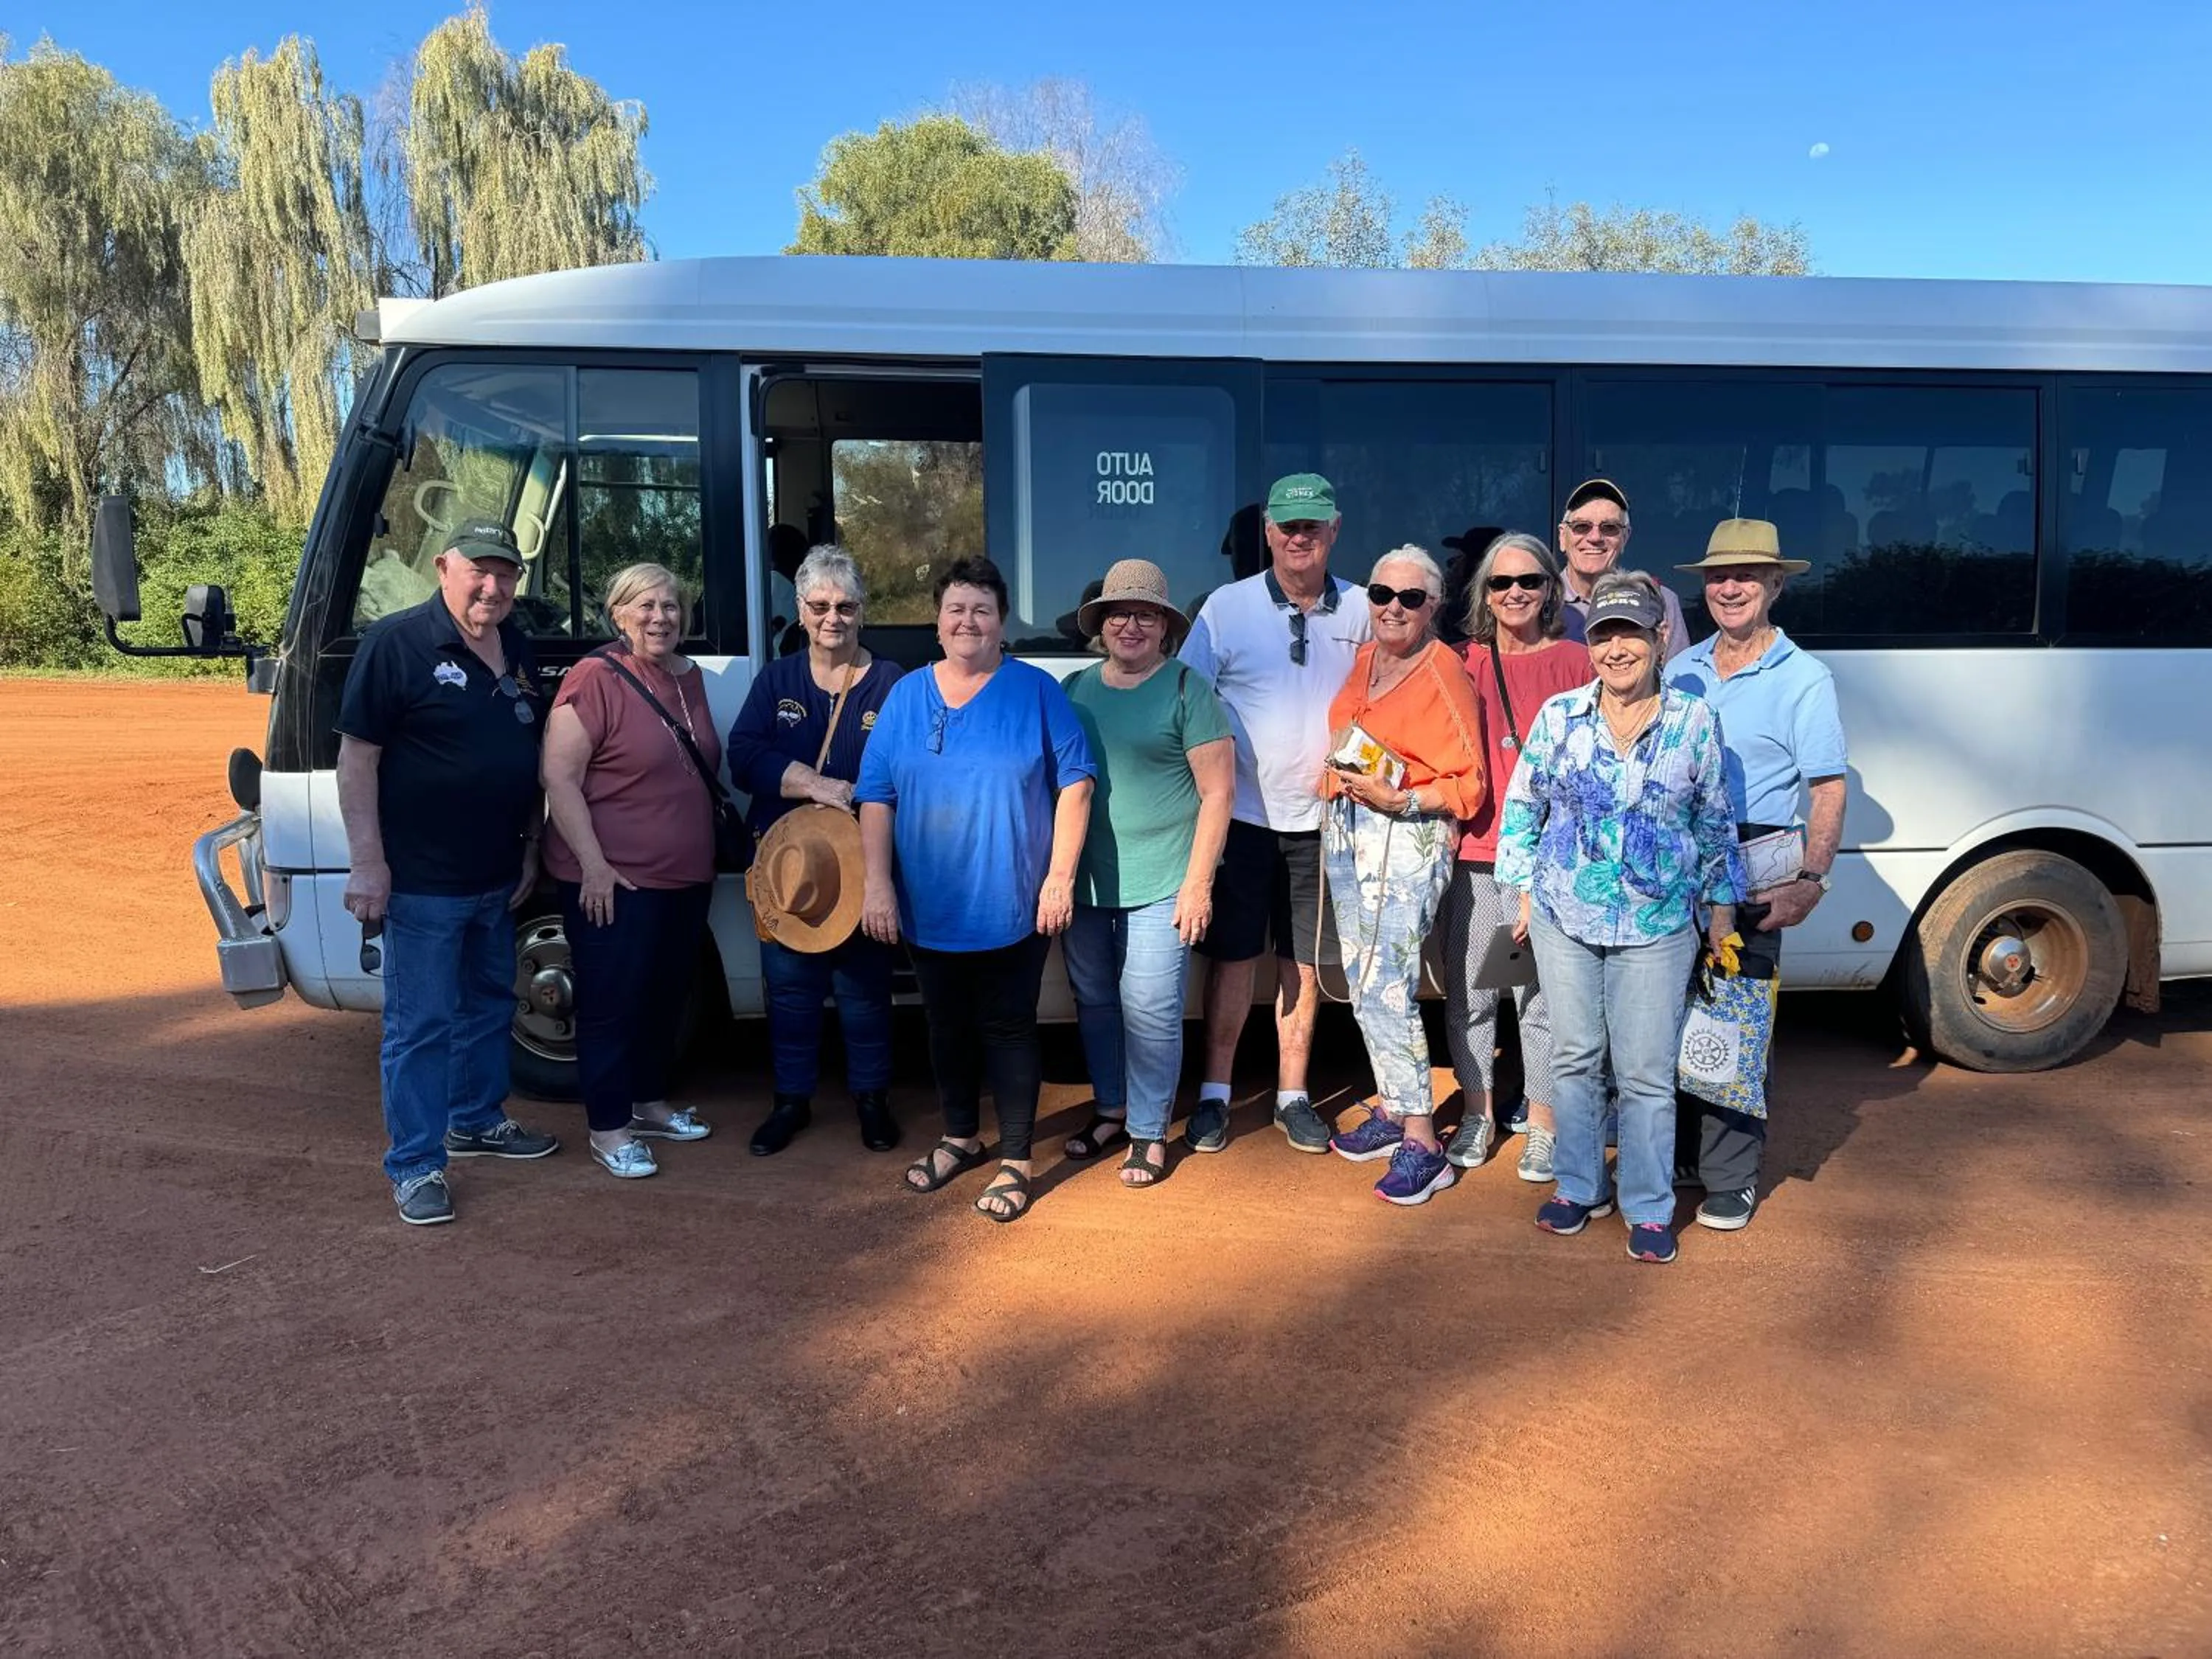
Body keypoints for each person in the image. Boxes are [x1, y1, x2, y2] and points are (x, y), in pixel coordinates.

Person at [1496, 571, 1743, 1265]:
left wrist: (1721, 910)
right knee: (1574, 1059)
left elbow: (1715, 821)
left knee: (1644, 1072)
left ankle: (1648, 1206)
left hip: (1659, 922)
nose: (1616, 648)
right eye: (1604, 633)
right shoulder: (1559, 716)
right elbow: (1524, 806)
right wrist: (1521, 891)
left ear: (1660, 637)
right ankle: (1579, 1188)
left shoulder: (1694, 721)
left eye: (1630, 632)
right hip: (1563, 915)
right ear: (1591, 642)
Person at [856, 557, 1095, 1224]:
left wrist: (1059, 877)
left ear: (1000, 621)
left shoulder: (1035, 692)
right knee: (944, 1027)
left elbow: (1076, 783)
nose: (968, 621)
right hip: (927, 904)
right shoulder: (905, 697)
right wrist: (877, 888)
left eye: (982, 609)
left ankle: (1017, 1158)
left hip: (1012, 902)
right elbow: (876, 796)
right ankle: (960, 1137)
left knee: (1009, 1027)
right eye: (956, 609)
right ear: (938, 623)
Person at [335, 518, 560, 1226]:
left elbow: (524, 753)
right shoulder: (396, 645)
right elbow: (358, 760)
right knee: (421, 1024)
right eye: (480, 572)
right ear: (443, 568)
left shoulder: (514, 647)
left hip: (497, 876)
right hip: (422, 883)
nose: (494, 587)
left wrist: (529, 845)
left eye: (507, 574)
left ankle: (476, 1120)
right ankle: (416, 1165)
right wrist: (368, 863)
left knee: (490, 1005)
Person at [1178, 473, 1371, 1155]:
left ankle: (1293, 1096)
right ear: (1268, 533)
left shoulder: (1363, 610)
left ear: (1334, 531)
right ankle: (1215, 1095)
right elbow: (1188, 704)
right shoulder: (1223, 610)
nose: (1299, 536)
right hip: (1242, 820)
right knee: (1232, 960)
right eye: (1287, 525)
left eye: (1312, 526)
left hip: (1324, 824)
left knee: (1304, 962)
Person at [1667, 518, 1848, 1231]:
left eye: (1746, 575)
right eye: (1717, 576)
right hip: (1678, 862)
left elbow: (1827, 788)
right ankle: (1685, 1154)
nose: (1730, 586)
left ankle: (1731, 1175)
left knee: (1736, 1021)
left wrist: (1810, 879)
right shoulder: (1681, 669)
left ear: (1776, 585)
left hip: (1757, 862)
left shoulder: (1804, 677)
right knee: (1673, 1013)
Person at [536, 563, 720, 1180]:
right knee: (612, 1004)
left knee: (662, 1000)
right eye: (644, 606)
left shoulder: (689, 678)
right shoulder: (595, 678)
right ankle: (609, 1129)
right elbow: (558, 777)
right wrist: (593, 866)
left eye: (670, 607)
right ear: (618, 614)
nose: (659, 618)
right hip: (614, 880)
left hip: (683, 879)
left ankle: (647, 1105)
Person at [1317, 547, 1486, 1206]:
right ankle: (1393, 1107)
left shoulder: (1444, 672)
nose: (1393, 606)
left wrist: (1404, 801)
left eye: (1410, 598)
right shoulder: (1367, 659)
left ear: (1433, 606)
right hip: (1351, 831)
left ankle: (1424, 1141)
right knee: (1362, 981)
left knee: (1387, 983)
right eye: (1383, 593)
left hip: (1406, 837)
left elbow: (1470, 783)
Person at [1060, 560, 1237, 1187]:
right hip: (1085, 885)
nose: (1129, 626)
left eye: (1144, 615)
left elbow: (1218, 793)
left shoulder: (1188, 690)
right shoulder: (1076, 690)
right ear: (1100, 625)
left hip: (1164, 881)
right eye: (1117, 614)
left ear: (1165, 627)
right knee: (1097, 1002)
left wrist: (1199, 884)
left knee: (1152, 1007)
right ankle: (1111, 1109)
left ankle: (1147, 1132)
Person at [726, 545, 904, 1157]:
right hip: (789, 872)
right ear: (800, 611)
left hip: (862, 871)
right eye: (821, 605)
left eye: (846, 606)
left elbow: (912, 771)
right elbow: (743, 756)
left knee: (865, 993)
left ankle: (873, 1100)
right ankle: (790, 1102)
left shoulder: (892, 682)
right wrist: (817, 783)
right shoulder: (776, 680)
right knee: (792, 992)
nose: (834, 617)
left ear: (863, 612)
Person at [1440, 532, 1590, 1183]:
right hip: (1477, 853)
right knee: (1473, 994)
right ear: (1484, 594)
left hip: (1553, 865)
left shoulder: (1580, 663)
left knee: (1540, 1001)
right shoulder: (1459, 663)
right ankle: (1477, 1113)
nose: (1516, 593)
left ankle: (1544, 1122)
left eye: (1530, 581)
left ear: (1550, 589)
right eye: (1501, 584)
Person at [1556, 479, 1691, 661]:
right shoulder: (1536, 602)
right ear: (1563, 537)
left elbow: (1676, 681)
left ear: (1625, 538)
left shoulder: (1661, 601)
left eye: (1610, 528)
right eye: (1581, 527)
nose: (1595, 537)